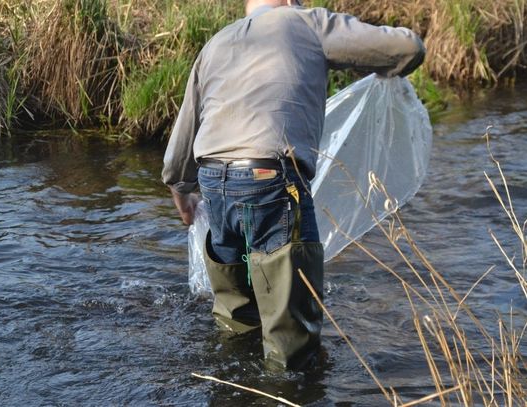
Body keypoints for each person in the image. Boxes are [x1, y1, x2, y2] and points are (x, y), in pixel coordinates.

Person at [162, 0, 425, 369]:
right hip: (269, 180)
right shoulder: (306, 23)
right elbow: (406, 49)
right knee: (291, 338)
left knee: (235, 321)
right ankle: (286, 388)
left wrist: (182, 192)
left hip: (213, 184)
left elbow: (181, 144)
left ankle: (234, 385)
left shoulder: (217, 42)